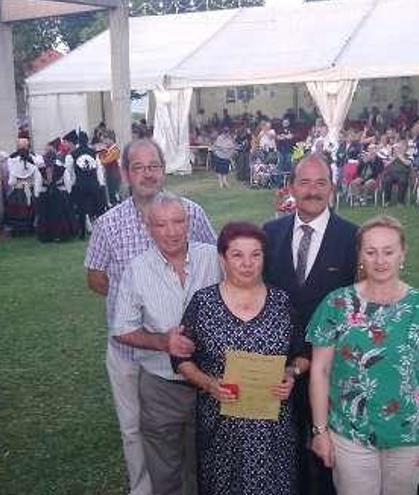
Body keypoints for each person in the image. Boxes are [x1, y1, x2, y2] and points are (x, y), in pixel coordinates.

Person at [85, 138, 216, 495]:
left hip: (194, 355)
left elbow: (213, 261)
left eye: (154, 166)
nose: (147, 174)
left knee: (190, 432)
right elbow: (96, 276)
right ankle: (143, 489)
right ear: (126, 173)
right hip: (130, 350)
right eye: (138, 167)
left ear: (163, 169)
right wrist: (134, 298)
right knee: (134, 428)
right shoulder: (109, 224)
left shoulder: (191, 212)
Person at [307, 215, 419, 495]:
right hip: (349, 433)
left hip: (410, 435)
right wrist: (320, 431)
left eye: (388, 251)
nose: (380, 260)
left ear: (403, 253)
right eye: (371, 251)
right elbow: (320, 371)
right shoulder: (337, 304)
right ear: (360, 255)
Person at [170, 222, 306, 495]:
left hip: (272, 431)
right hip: (221, 428)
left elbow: (303, 354)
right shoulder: (203, 302)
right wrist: (208, 384)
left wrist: (291, 374)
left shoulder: (281, 302)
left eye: (255, 255)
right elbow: (181, 359)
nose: (247, 263)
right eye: (237, 255)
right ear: (223, 260)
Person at [112, 192, 222, 495]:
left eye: (178, 222)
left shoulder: (212, 257)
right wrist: (164, 342)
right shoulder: (137, 270)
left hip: (210, 386)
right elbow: (121, 329)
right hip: (162, 387)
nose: (171, 231)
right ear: (148, 228)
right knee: (165, 472)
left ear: (189, 223)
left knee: (208, 466)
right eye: (161, 225)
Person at [263, 153, 358, 495]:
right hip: (278, 366)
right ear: (291, 187)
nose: (312, 191)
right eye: (304, 183)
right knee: (283, 449)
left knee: (327, 450)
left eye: (321, 183)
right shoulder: (270, 233)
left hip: (331, 368)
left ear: (333, 188)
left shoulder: (352, 238)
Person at [36, 141, 77, 242]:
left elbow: (38, 185)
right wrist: (67, 192)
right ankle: (60, 235)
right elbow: (68, 184)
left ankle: (46, 236)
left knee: (45, 215)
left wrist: (37, 195)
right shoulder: (62, 168)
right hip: (60, 195)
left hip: (45, 195)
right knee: (60, 215)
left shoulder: (40, 170)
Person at [69, 131, 107, 239]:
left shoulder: (72, 154)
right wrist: (101, 184)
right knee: (98, 209)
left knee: (81, 210)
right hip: (94, 184)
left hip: (80, 184)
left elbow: (70, 172)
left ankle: (82, 233)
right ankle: (101, 231)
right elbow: (99, 169)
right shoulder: (93, 153)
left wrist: (71, 185)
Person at [5, 138, 42, 236]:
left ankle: (24, 229)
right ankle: (23, 229)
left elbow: (11, 180)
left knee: (23, 209)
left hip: (22, 189)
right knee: (22, 209)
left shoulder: (33, 157)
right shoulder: (14, 158)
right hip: (25, 188)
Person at [382, 141, 412, 205]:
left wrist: (400, 157)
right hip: (391, 174)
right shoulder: (391, 156)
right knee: (387, 180)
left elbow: (408, 163)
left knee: (403, 181)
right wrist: (393, 158)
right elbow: (385, 165)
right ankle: (387, 201)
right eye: (397, 148)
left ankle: (400, 201)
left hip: (402, 174)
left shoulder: (408, 156)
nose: (398, 149)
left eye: (400, 148)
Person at [98, 135, 123, 206]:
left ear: (111, 139)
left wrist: (101, 156)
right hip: (110, 174)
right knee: (111, 193)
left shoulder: (115, 150)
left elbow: (105, 161)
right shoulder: (108, 150)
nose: (104, 143)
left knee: (114, 193)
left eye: (105, 140)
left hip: (114, 174)